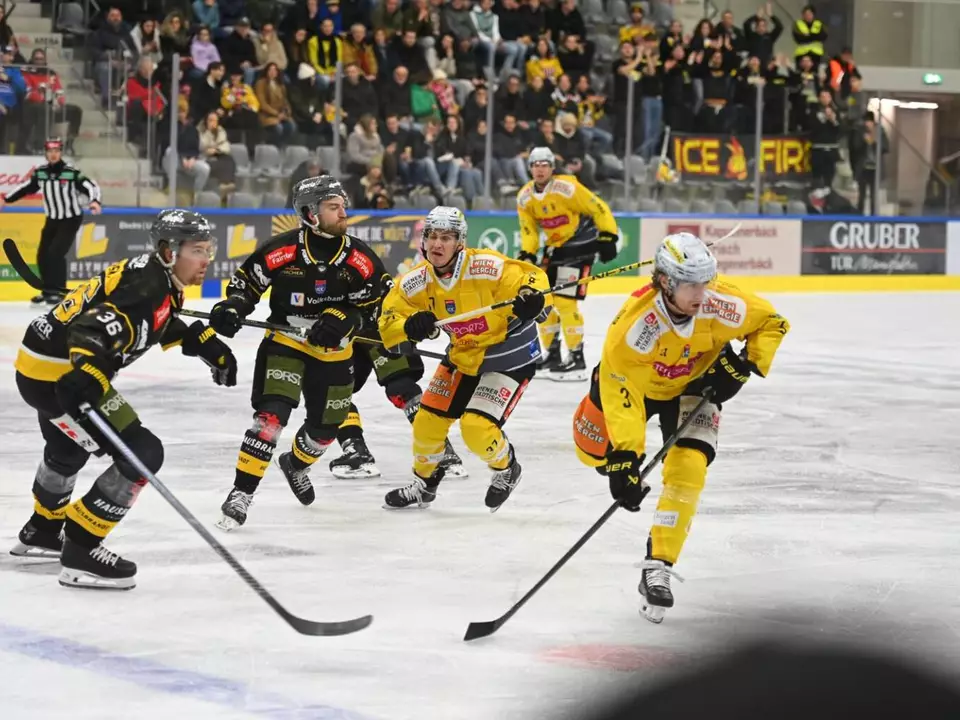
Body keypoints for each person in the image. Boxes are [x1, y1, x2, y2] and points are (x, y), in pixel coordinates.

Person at [11, 210, 237, 590]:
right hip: (60, 378)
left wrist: (200, 342)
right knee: (143, 452)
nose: (206, 260)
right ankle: (81, 548)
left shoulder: (152, 275)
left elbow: (152, 320)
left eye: (207, 250)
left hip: (37, 367)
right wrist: (87, 373)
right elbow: (91, 331)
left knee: (68, 450)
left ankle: (43, 530)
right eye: (197, 250)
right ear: (169, 252)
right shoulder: (148, 287)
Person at [570, 232, 789, 623]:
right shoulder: (636, 328)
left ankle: (659, 564)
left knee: (689, 468)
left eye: (705, 282)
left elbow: (773, 323)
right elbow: (623, 389)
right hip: (633, 386)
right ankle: (607, 457)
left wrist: (745, 365)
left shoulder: (722, 304)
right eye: (690, 284)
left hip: (693, 386)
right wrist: (625, 456)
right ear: (666, 282)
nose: (701, 293)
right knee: (592, 452)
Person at [209, 176, 393, 531]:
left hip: (335, 351)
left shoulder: (360, 258)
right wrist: (233, 307)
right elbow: (246, 286)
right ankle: (241, 493)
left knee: (325, 431)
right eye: (333, 207)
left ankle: (295, 464)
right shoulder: (282, 250)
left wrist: (347, 317)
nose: (343, 213)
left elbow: (379, 306)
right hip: (287, 341)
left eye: (343, 206)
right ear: (310, 213)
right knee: (270, 418)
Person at [378, 206, 551, 512]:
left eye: (446, 237)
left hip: (507, 355)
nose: (437, 244)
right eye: (432, 236)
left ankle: (507, 468)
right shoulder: (416, 281)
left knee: (476, 428)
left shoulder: (485, 266)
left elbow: (532, 278)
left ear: (460, 242)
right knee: (426, 423)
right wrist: (408, 327)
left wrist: (530, 297)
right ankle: (424, 485)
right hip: (464, 356)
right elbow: (389, 319)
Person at [516, 146, 619, 382]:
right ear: (530, 168)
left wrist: (608, 235)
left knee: (564, 301)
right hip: (556, 249)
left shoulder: (567, 187)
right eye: (536, 165)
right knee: (544, 300)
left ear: (552, 168)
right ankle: (552, 354)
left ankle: (576, 357)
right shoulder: (525, 197)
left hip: (581, 244)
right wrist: (528, 253)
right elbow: (528, 229)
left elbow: (598, 207)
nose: (540, 169)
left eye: (545, 165)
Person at [0, 138, 102, 305]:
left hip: (70, 219)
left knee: (56, 253)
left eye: (56, 151)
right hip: (52, 219)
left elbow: (90, 186)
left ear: (60, 153)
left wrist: (95, 201)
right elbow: (26, 188)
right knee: (42, 256)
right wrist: (6, 199)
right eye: (50, 151)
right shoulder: (41, 173)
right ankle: (47, 291)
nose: (53, 154)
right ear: (46, 154)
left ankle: (60, 292)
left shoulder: (71, 171)